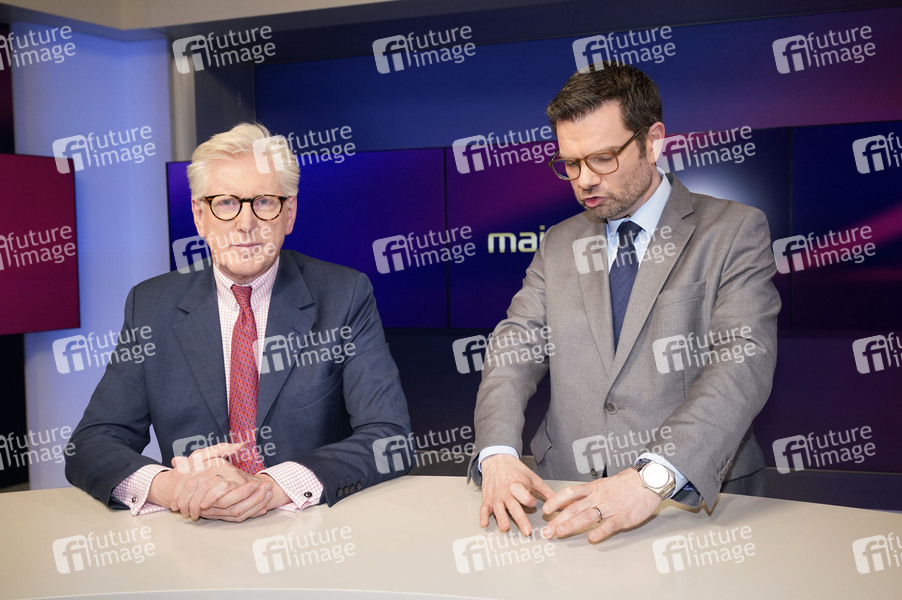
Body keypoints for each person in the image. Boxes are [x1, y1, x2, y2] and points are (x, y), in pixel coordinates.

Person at [469, 62, 780, 543]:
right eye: (570, 164)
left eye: (602, 159)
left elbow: (741, 364)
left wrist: (651, 478)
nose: (583, 180)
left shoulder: (734, 231)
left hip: (690, 506)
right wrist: (497, 453)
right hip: (564, 495)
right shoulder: (559, 243)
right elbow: (515, 348)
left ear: (652, 141)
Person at [66, 123, 411, 522]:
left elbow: (389, 436)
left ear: (289, 213)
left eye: (264, 202)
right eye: (226, 203)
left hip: (308, 530)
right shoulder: (150, 305)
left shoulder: (344, 295)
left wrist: (269, 487)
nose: (246, 224)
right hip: (191, 531)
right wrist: (174, 488)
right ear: (199, 215)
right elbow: (92, 443)